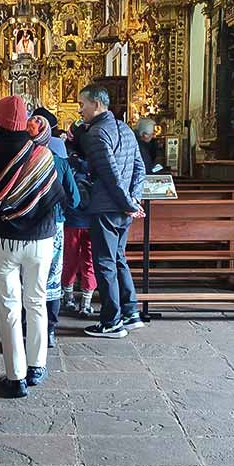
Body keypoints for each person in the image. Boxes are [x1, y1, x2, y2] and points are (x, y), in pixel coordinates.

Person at [0, 95, 65, 398]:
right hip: (40, 239)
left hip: (2, 240)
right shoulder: (42, 155)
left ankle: (15, 377)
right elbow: (55, 197)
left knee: (10, 308)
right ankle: (37, 366)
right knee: (37, 301)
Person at [78, 84, 146, 338]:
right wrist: (134, 199)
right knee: (118, 259)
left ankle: (111, 321)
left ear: (96, 104)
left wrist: (129, 203)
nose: (80, 110)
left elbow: (110, 176)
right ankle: (130, 312)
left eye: (82, 104)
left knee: (105, 262)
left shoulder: (96, 133)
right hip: (122, 209)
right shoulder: (125, 128)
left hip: (107, 208)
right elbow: (140, 168)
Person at [27, 114, 79, 347]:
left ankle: (29, 328)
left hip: (27, 226)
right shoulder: (60, 161)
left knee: (29, 277)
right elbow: (75, 199)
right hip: (55, 224)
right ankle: (49, 330)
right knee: (52, 278)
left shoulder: (21, 160)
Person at [62, 122, 97, 317]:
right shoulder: (97, 162)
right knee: (90, 259)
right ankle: (86, 301)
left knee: (70, 258)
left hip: (73, 219)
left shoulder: (68, 162)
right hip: (92, 218)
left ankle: (68, 297)